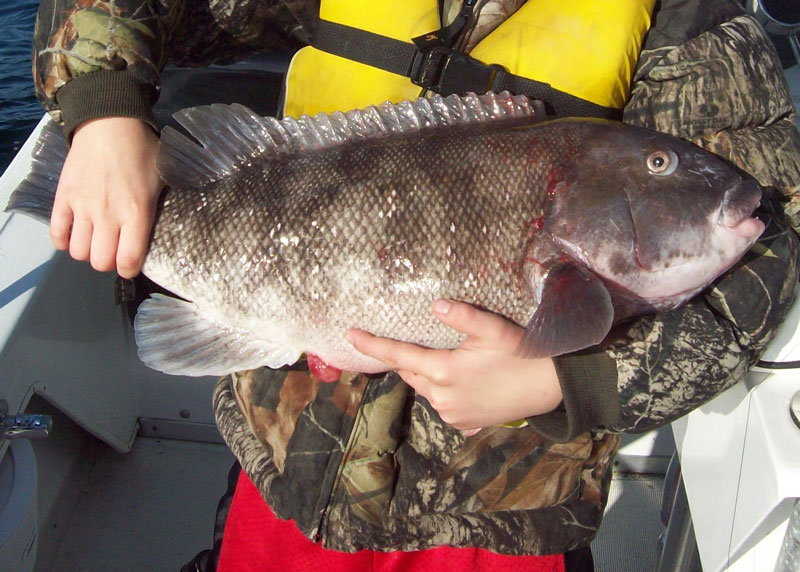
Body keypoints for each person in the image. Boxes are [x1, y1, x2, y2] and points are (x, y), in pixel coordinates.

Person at [31, 1, 800, 571]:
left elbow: (770, 246)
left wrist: (572, 380)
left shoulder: (687, 20)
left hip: (507, 520)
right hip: (293, 475)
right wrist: (103, 116)